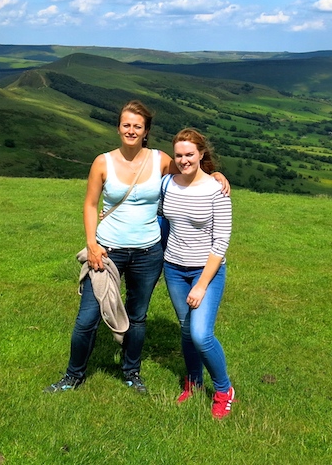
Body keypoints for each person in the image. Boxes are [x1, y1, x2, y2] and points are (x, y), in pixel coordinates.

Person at [46, 101, 228, 394]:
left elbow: (189, 169)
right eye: (126, 125)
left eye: (137, 126)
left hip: (148, 252)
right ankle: (73, 375)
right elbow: (91, 204)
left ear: (146, 132)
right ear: (118, 128)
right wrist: (92, 245)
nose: (131, 130)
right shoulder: (102, 162)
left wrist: (217, 176)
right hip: (107, 251)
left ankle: (131, 372)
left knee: (138, 315)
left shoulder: (159, 160)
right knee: (87, 318)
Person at [160, 128, 235, 419]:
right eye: (179, 155)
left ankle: (224, 389)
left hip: (207, 272)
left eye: (189, 154)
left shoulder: (216, 189)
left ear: (202, 154)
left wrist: (202, 285)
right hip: (174, 268)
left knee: (201, 334)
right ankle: (193, 381)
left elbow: (221, 241)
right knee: (185, 330)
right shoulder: (167, 183)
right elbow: (147, 209)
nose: (183, 160)